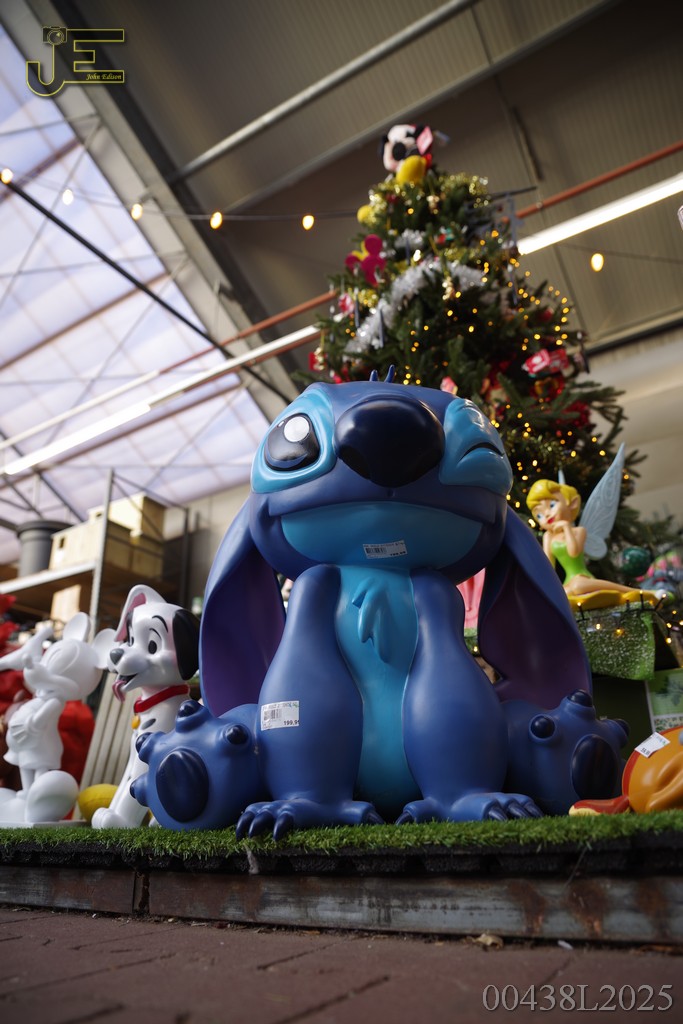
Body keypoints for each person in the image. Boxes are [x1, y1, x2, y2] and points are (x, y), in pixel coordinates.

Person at [526, 478, 641, 599]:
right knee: (564, 594)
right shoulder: (548, 536)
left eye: (552, 505)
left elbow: (574, 552)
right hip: (568, 582)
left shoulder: (579, 531)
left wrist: (566, 527)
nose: (547, 514)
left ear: (572, 503)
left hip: (582, 577)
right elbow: (549, 567)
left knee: (578, 586)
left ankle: (631, 591)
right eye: (539, 515)